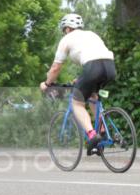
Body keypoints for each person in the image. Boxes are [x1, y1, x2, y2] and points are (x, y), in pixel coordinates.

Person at [39, 13, 116, 155]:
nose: (64, 32)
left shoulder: (66, 39)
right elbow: (95, 57)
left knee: (77, 104)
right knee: (93, 96)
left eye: (64, 29)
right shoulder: (92, 34)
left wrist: (47, 83)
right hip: (110, 67)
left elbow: (56, 68)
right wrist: (81, 79)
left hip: (93, 68)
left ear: (67, 28)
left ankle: (92, 136)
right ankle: (103, 130)